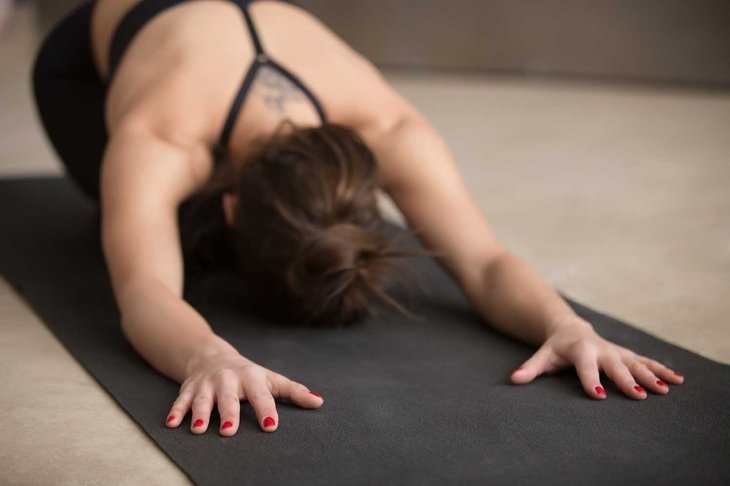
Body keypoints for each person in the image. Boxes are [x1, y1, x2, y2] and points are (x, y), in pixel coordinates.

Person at [32, 0, 684, 438]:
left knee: (294, 254)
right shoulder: (159, 138)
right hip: (83, 61)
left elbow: (483, 261)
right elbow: (144, 291)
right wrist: (207, 356)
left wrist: (566, 324)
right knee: (143, 236)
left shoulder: (389, 129)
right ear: (230, 206)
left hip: (233, 40)